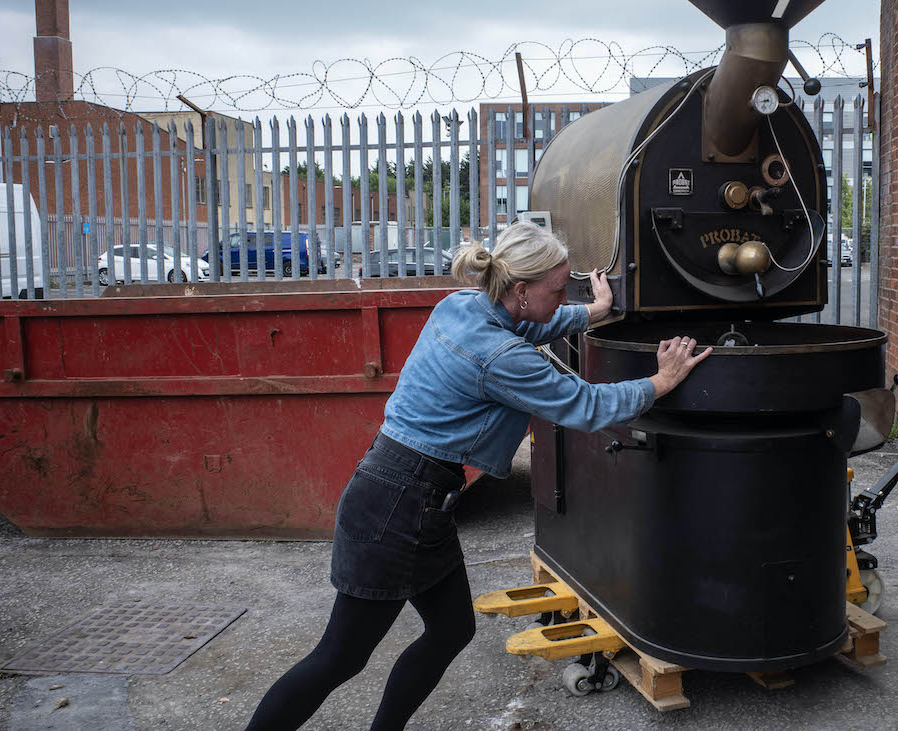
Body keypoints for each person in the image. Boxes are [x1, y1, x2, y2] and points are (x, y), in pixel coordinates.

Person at [245, 222, 712, 731]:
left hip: (408, 493)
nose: (561, 299)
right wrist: (662, 380)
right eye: (557, 290)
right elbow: (585, 405)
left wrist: (591, 311)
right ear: (520, 289)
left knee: (449, 630)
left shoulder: (463, 305)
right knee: (339, 657)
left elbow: (530, 323)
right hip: (400, 506)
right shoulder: (500, 357)